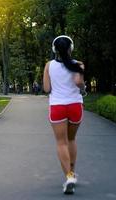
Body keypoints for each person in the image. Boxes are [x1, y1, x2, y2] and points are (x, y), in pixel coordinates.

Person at [43, 35, 85, 195]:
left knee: (61, 143)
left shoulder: (48, 65)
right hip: (75, 106)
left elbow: (47, 89)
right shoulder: (78, 65)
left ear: (55, 49)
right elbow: (79, 84)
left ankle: (69, 177)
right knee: (72, 139)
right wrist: (81, 84)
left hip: (57, 107)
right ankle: (72, 173)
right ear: (71, 48)